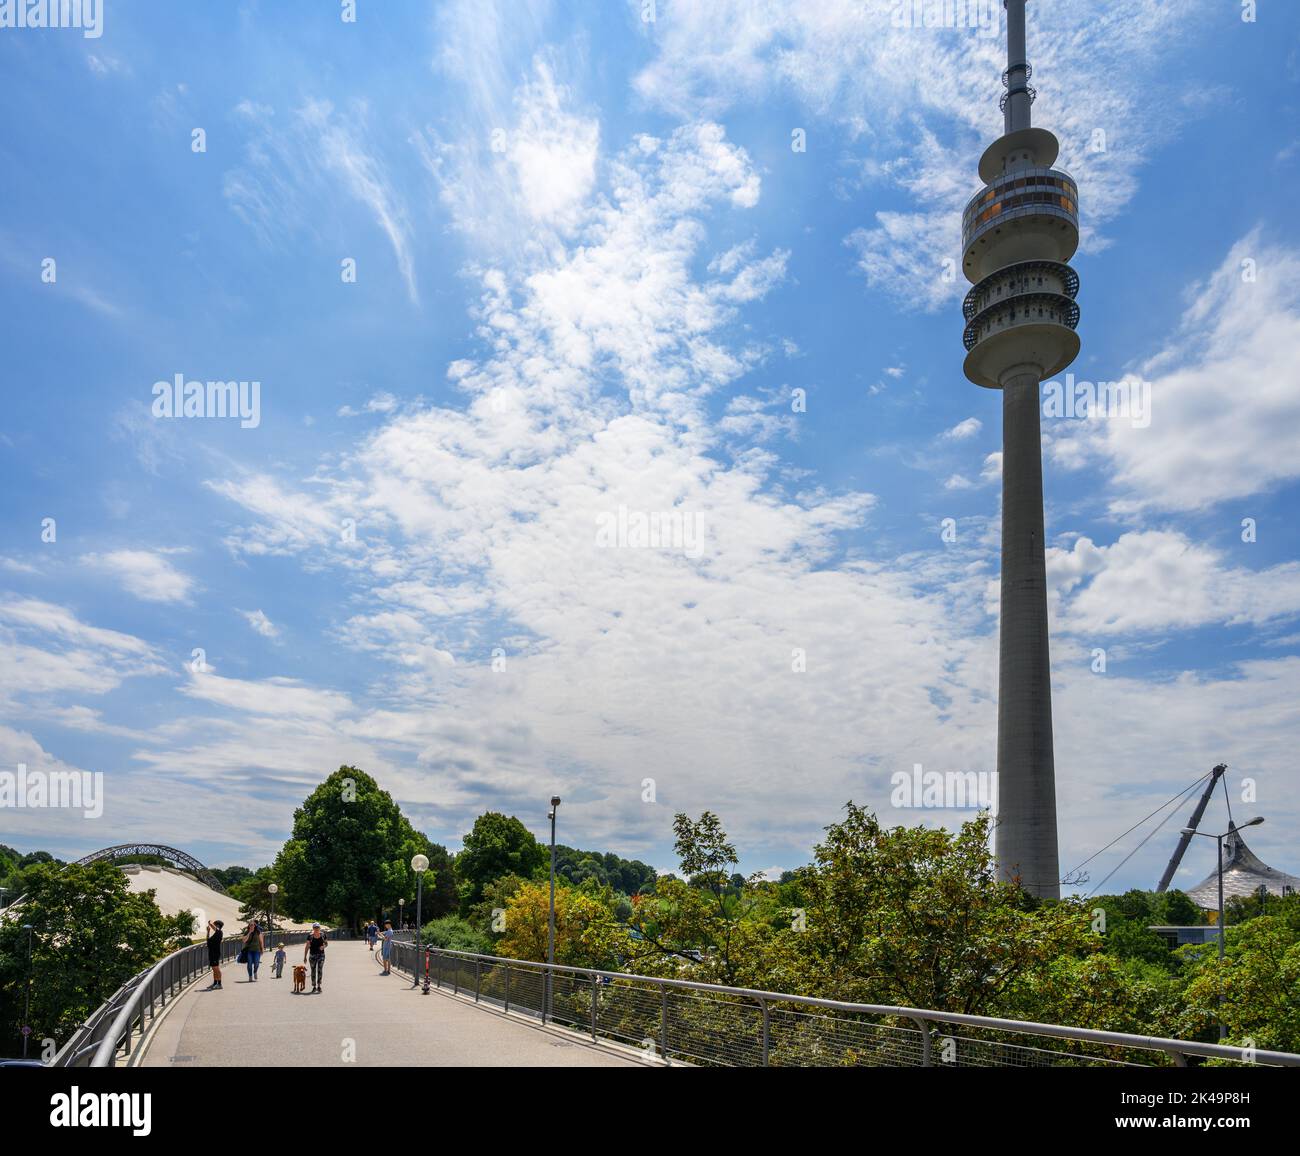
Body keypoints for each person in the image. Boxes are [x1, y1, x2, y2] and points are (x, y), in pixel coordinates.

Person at [304, 922, 328, 992]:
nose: (316, 929)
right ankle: (314, 986)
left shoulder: (323, 935)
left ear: (319, 928)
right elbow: (307, 946)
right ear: (313, 928)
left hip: (321, 955)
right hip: (312, 955)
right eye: (315, 928)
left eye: (317, 927)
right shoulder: (310, 936)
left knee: (320, 970)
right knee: (313, 971)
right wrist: (305, 956)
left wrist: (323, 946)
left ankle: (319, 986)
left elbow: (326, 943)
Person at [205, 919, 224, 990]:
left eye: (215, 924)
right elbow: (207, 940)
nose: (214, 926)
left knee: (216, 969)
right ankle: (215, 983)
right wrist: (208, 932)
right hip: (211, 953)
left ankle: (219, 984)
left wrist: (210, 923)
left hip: (215, 953)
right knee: (214, 969)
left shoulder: (219, 932)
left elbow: (215, 928)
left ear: (218, 926)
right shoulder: (216, 934)